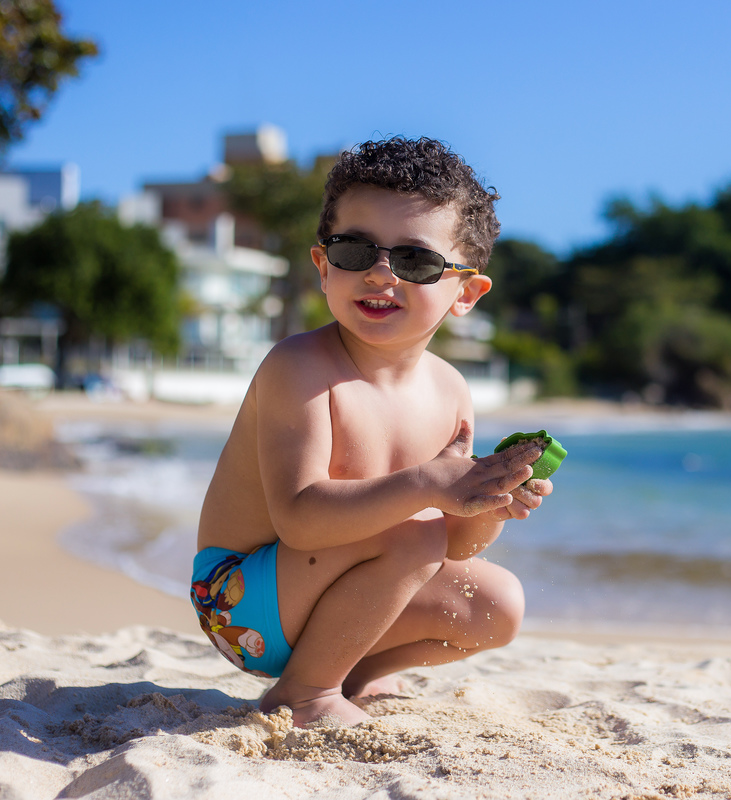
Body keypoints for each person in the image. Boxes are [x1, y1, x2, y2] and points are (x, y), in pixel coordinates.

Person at [190, 137, 552, 727]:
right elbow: (300, 518)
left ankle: (352, 672)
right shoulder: (299, 368)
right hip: (240, 603)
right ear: (323, 266)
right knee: (409, 529)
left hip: (325, 603)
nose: (381, 273)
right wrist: (427, 485)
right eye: (356, 251)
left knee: (497, 605)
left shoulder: (451, 392)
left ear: (466, 293)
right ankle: (305, 693)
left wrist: (487, 502)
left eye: (415, 261)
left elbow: (451, 545)